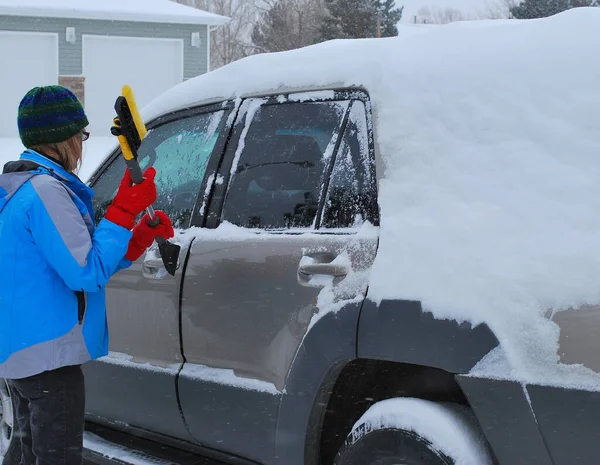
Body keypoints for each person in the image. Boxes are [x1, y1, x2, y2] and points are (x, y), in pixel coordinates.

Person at [0, 85, 175, 465]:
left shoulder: (19, 190)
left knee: (28, 455)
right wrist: (124, 212)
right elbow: (85, 272)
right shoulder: (45, 192)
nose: (83, 142)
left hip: (24, 356)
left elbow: (72, 259)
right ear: (63, 139)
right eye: (81, 134)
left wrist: (135, 240)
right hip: (49, 360)